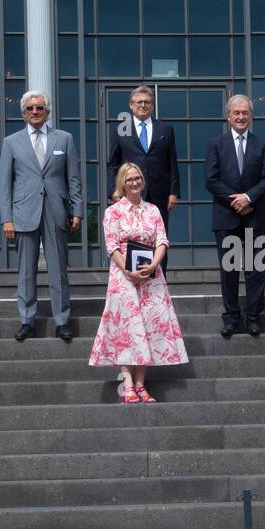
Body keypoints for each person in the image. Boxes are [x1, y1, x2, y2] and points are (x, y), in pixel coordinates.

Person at [89, 163, 188, 403]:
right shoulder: (113, 212)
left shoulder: (153, 210)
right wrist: (128, 271)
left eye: (138, 178)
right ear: (122, 183)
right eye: (130, 179)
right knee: (126, 328)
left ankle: (142, 384)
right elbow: (111, 246)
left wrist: (154, 265)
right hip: (123, 276)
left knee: (148, 326)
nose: (134, 182)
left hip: (151, 277)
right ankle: (128, 383)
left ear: (143, 181)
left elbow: (162, 241)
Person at [0, 90, 82, 342]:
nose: (35, 112)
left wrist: (77, 209)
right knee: (26, 270)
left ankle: (62, 321)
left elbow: (74, 178)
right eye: (30, 108)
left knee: (58, 269)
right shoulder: (11, 142)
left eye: (40, 108)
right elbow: (4, 184)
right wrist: (6, 218)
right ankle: (27, 320)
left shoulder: (64, 139)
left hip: (56, 210)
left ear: (48, 111)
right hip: (23, 211)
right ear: (23, 113)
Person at [205, 94, 265, 338]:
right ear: (228, 116)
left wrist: (248, 198)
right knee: (229, 271)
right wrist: (236, 200)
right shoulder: (216, 144)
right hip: (226, 217)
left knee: (256, 271)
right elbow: (211, 179)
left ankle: (253, 317)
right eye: (237, 113)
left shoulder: (262, 144)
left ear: (251, 116)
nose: (241, 117)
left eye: (245, 113)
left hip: (255, 217)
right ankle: (231, 318)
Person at [106, 85, 179, 274]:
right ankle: (133, 278)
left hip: (159, 194)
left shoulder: (166, 129)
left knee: (159, 241)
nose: (143, 105)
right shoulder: (121, 130)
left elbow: (172, 162)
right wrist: (113, 190)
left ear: (152, 106)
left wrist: (173, 192)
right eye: (139, 102)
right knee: (130, 240)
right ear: (131, 105)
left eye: (147, 102)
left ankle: (158, 283)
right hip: (130, 195)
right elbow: (113, 163)